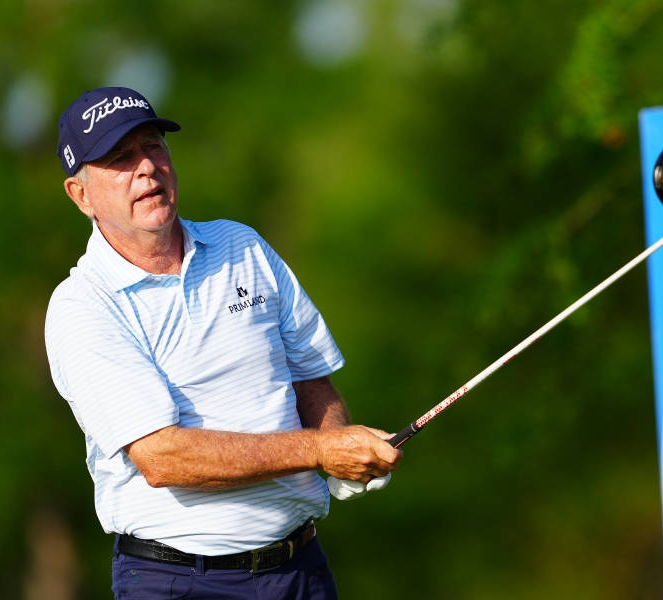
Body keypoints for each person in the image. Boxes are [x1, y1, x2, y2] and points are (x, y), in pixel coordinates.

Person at [44, 86, 401, 599]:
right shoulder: (83, 306)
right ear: (81, 196)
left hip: (299, 570)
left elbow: (311, 379)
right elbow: (165, 457)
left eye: (154, 146)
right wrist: (320, 450)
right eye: (121, 158)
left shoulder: (242, 245)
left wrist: (341, 443)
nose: (147, 167)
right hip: (178, 581)